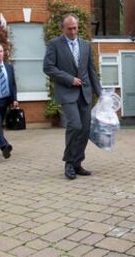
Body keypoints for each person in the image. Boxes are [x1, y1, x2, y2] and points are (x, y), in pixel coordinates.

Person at [43, 13, 102, 180]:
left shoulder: (85, 45)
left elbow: (91, 71)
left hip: (85, 93)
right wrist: (70, 79)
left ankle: (77, 163)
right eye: (69, 29)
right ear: (63, 28)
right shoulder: (54, 44)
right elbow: (48, 68)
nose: (73, 31)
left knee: (85, 129)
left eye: (75, 28)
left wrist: (101, 93)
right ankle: (68, 162)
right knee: (74, 125)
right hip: (67, 93)